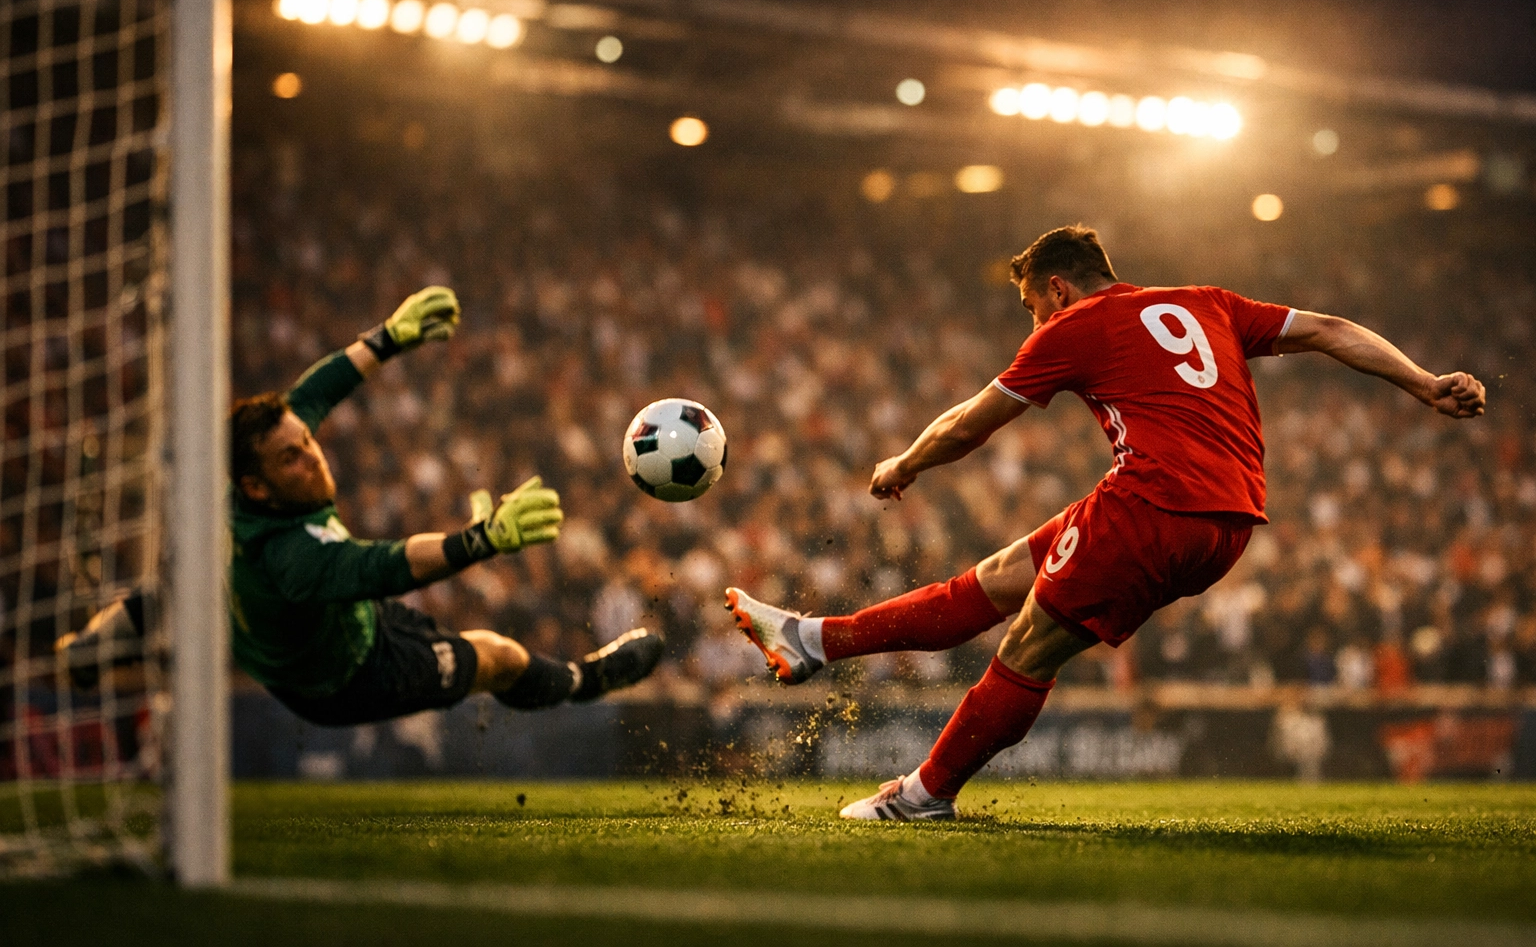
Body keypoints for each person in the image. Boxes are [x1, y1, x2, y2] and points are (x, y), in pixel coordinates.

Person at [726, 225, 1484, 819]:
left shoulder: (1076, 325)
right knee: (996, 583)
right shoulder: (1208, 302)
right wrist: (1421, 382)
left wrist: (905, 463)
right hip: (1226, 521)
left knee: (1028, 647)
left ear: (1056, 290)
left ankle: (923, 795)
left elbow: (969, 422)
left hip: (1155, 505)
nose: (1033, 321)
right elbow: (1326, 327)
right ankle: (811, 641)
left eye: (1030, 307)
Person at [227, 286, 662, 727]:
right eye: (291, 458)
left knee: (481, 653)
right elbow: (383, 566)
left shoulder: (256, 476)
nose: (312, 457)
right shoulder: (287, 556)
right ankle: (586, 681)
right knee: (499, 656)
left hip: (344, 627)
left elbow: (313, 395)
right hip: (342, 681)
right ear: (257, 488)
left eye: (306, 441)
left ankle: (538, 681)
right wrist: (481, 540)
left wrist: (386, 339)